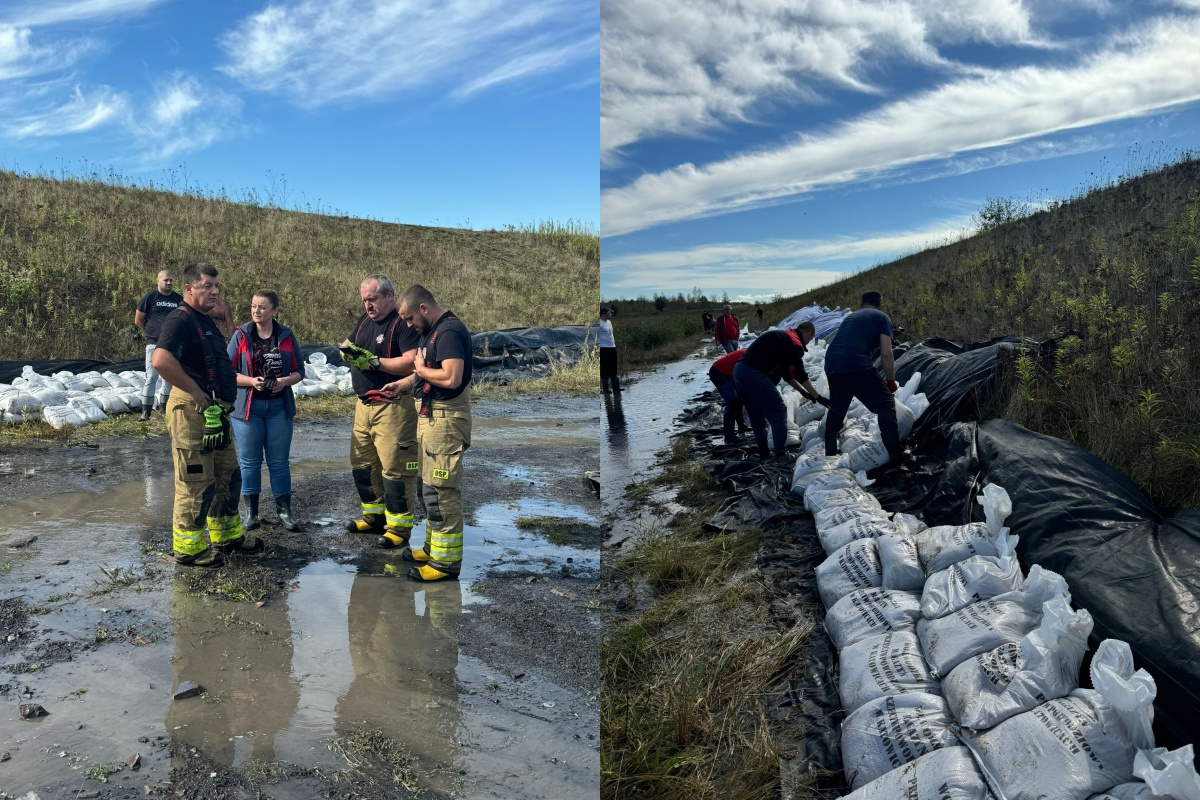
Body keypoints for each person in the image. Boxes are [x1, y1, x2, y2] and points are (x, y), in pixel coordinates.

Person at [152, 262, 260, 567]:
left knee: (226, 475)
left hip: (215, 413)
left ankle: (227, 536)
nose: (215, 291)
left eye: (217, 286)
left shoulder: (203, 319)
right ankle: (189, 548)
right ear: (188, 289)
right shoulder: (180, 320)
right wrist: (195, 391)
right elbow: (161, 361)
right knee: (195, 481)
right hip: (192, 410)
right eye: (207, 287)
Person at [382, 285, 472, 583]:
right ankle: (433, 548)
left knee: (440, 492)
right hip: (431, 416)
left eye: (408, 319)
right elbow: (427, 370)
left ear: (423, 308)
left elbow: (450, 376)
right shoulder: (431, 332)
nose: (407, 325)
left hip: (446, 420)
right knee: (427, 487)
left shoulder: (449, 332)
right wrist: (406, 384)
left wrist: (419, 370)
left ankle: (445, 565)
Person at [340, 275, 421, 552]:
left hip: (393, 406)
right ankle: (374, 517)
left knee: (395, 467)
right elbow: (348, 343)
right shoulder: (364, 321)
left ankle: (398, 528)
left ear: (389, 296)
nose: (367, 305)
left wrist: (375, 362)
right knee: (364, 464)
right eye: (364, 300)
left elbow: (412, 362)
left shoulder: (402, 324)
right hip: (363, 405)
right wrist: (346, 352)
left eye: (372, 299)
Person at [227, 290, 306, 533]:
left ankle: (285, 512)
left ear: (274, 311)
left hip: (279, 408)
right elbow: (228, 372)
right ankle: (251, 514)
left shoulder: (286, 336)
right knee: (250, 461)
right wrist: (251, 382)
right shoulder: (240, 335)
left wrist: (284, 381)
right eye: (253, 306)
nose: (256, 311)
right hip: (248, 409)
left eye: (262, 307)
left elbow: (299, 371)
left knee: (279, 461)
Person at [823, 290, 902, 465]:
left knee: (838, 407)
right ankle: (896, 458)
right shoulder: (882, 317)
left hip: (832, 363)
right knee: (886, 405)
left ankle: (829, 452)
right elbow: (887, 353)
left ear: (861, 303)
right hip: (855, 362)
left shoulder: (850, 317)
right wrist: (890, 381)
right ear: (880, 304)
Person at [732, 320, 828, 461]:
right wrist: (818, 397)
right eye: (810, 339)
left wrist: (802, 391)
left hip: (739, 372)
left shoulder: (784, 338)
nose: (808, 342)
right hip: (752, 373)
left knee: (756, 415)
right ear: (808, 334)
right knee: (779, 410)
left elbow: (786, 374)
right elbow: (801, 374)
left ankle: (764, 453)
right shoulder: (794, 343)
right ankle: (781, 454)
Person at [134, 270, 182, 420]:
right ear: (158, 281)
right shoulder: (149, 297)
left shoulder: (178, 299)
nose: (169, 283)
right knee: (152, 377)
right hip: (154, 343)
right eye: (166, 280)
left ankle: (163, 408)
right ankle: (146, 412)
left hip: (172, 344)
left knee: (169, 377)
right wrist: (151, 332)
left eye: (171, 280)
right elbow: (138, 320)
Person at [709, 347, 748, 444]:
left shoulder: (752, 354)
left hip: (730, 373)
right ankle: (729, 437)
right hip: (719, 372)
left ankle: (741, 427)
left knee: (740, 400)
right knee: (732, 402)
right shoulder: (748, 356)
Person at [599, 306, 620, 393]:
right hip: (604, 348)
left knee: (613, 367)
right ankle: (605, 389)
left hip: (612, 347)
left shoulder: (609, 322)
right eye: (609, 312)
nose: (611, 314)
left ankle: (616, 388)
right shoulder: (599, 323)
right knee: (605, 367)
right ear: (604, 313)